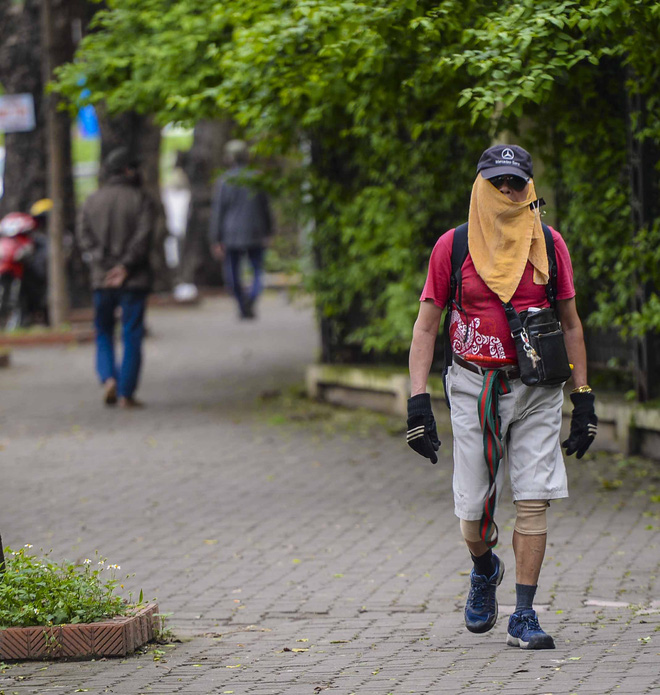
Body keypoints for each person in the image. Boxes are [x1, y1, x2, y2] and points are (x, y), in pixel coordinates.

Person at [407, 144, 597, 650]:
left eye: (516, 183)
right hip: (473, 387)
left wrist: (584, 398)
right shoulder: (454, 247)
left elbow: (572, 323)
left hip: (537, 389)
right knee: (472, 513)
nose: (507, 192)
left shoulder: (549, 245)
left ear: (530, 188)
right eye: (497, 183)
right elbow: (426, 329)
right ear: (480, 186)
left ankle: (525, 614)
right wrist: (417, 402)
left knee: (533, 500)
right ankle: (484, 566)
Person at [77, 147, 155, 408]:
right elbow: (144, 238)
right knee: (132, 333)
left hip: (102, 280)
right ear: (126, 170)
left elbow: (85, 238)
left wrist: (107, 264)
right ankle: (126, 393)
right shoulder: (141, 199)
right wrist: (124, 267)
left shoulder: (91, 201)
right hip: (133, 279)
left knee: (103, 331)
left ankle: (108, 377)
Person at [209, 140, 273, 319]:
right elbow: (266, 208)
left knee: (233, 272)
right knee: (257, 269)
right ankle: (250, 299)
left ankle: (242, 302)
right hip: (255, 231)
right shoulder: (257, 177)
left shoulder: (224, 181)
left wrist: (216, 238)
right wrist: (269, 231)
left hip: (231, 234)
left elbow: (218, 212)